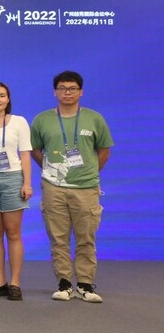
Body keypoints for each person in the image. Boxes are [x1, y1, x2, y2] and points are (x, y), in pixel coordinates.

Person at [31, 71, 113, 303]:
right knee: (58, 238)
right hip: (53, 187)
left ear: (81, 92)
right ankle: (64, 284)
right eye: (62, 88)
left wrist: (90, 172)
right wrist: (51, 169)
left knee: (86, 238)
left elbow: (104, 150)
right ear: (55, 92)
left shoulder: (94, 118)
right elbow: (35, 150)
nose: (67, 92)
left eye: (72, 88)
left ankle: (85, 284)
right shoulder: (42, 120)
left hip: (86, 187)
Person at [0, 82, 33, 301]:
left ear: (8, 99)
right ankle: (0, 281)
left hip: (12, 178)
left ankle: (15, 283)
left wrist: (27, 183)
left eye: (2, 95)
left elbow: (25, 154)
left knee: (13, 232)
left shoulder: (19, 122)